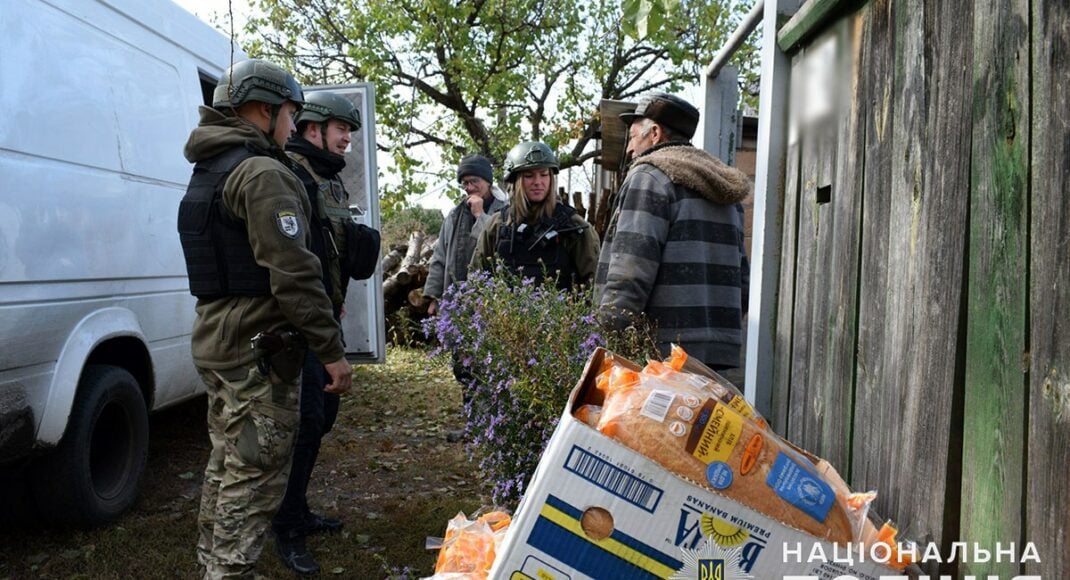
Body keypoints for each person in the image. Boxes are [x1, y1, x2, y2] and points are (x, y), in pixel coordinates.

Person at [177, 58, 352, 580]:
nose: (293, 127)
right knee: (255, 474)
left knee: (227, 464)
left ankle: (214, 565)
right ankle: (229, 571)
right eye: (290, 115)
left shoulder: (210, 168)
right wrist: (332, 352)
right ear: (262, 109)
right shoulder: (261, 173)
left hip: (218, 338)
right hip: (258, 346)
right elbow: (296, 275)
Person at [271, 90, 363, 574]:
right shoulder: (290, 177)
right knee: (304, 422)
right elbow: (290, 265)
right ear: (312, 130)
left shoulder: (328, 182)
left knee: (321, 416)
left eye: (349, 130)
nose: (347, 137)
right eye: (340, 128)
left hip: (325, 317)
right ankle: (285, 525)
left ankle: (296, 507)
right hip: (296, 325)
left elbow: (330, 254)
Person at [593, 92, 751, 370]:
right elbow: (743, 284)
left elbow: (629, 274)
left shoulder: (650, 177)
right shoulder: (724, 189)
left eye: (632, 137)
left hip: (663, 357)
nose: (629, 149)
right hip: (719, 357)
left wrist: (606, 339)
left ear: (654, 133)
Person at [470, 141, 600, 290]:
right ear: (516, 180)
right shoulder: (497, 225)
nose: (538, 182)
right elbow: (476, 280)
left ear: (551, 178)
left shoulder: (575, 227)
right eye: (529, 176)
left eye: (544, 174)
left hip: (562, 312)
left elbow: (595, 283)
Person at [423, 154, 508, 315]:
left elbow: (497, 242)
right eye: (465, 183)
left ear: (488, 181)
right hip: (456, 301)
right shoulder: (455, 215)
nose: (469, 187)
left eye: (474, 181)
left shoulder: (506, 211)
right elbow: (439, 257)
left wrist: (480, 215)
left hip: (493, 304)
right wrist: (434, 297)